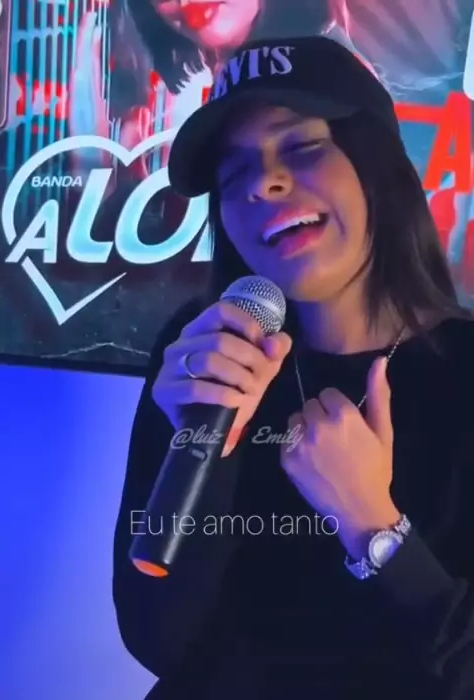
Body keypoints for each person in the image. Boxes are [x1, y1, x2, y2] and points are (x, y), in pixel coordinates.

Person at [113, 35, 474, 699]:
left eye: (303, 147)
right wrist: (204, 446)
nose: (263, 184)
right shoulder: (205, 352)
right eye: (233, 174)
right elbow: (154, 638)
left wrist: (373, 527)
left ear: (375, 166)